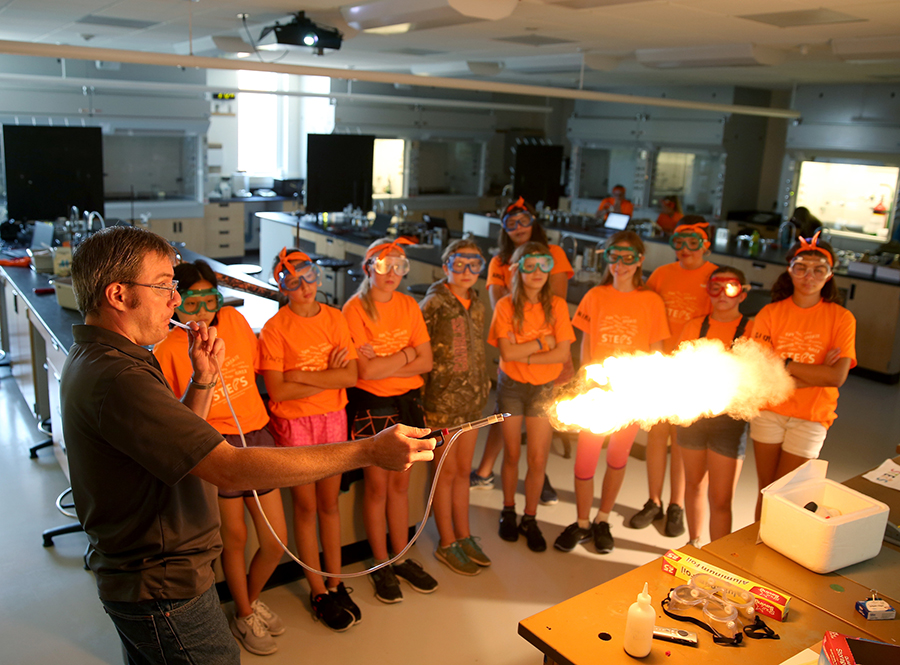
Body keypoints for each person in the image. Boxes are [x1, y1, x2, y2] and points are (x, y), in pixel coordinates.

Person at [60, 226, 435, 665]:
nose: (177, 301)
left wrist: (202, 379)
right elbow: (230, 468)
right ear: (119, 295)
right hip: (161, 586)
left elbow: (175, 443)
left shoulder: (107, 358)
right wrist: (368, 451)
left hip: (147, 579)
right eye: (164, 287)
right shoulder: (120, 379)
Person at [153, 260, 288, 655]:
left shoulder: (235, 323)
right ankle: (244, 613)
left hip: (256, 437)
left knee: (274, 541)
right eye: (191, 303)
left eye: (209, 300)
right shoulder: (168, 347)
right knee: (235, 540)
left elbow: (259, 364)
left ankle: (250, 598)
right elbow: (178, 414)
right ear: (175, 303)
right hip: (216, 448)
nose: (202, 312)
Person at [257, 249, 361, 632]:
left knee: (329, 504)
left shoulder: (335, 318)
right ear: (281, 286)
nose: (304, 287)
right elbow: (278, 392)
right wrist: (322, 376)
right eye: (293, 280)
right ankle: (317, 588)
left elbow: (349, 377)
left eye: (310, 276)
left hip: (333, 419)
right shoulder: (275, 328)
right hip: (295, 426)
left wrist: (300, 375)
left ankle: (336, 581)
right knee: (305, 508)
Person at [554, 232, 669, 555]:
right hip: (596, 393)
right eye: (614, 257)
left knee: (617, 459)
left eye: (628, 258)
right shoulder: (595, 295)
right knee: (585, 461)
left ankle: (603, 519)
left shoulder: (651, 301)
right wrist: (585, 384)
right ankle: (581, 522)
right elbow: (586, 348)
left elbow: (657, 352)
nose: (620, 265)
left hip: (630, 396)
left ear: (640, 260)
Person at [342, 237, 440, 603]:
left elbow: (427, 362)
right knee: (378, 488)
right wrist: (407, 352)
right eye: (384, 265)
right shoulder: (354, 310)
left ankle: (400, 557)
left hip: (408, 402)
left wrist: (389, 359)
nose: (393, 273)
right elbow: (365, 371)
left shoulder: (409, 304)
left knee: (400, 487)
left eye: (400, 265)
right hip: (372, 405)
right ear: (369, 267)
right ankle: (380, 562)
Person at [471, 197, 574, 503]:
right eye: (510, 223)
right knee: (508, 424)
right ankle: (492, 476)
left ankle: (536, 483)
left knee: (537, 443)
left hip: (546, 367)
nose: (518, 227)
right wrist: (542, 342)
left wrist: (553, 350)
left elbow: (555, 303)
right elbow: (503, 310)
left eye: (524, 220)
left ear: (534, 221)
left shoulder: (554, 254)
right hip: (514, 370)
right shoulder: (499, 262)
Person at [750, 232, 856, 519]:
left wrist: (783, 363)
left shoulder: (842, 319)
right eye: (801, 268)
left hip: (811, 416)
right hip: (769, 411)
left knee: (787, 494)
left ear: (830, 275)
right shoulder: (770, 313)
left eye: (819, 269)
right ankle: (755, 553)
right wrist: (817, 372)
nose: (809, 276)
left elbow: (836, 378)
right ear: (790, 270)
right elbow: (760, 372)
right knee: (767, 489)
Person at [488, 241, 575, 552]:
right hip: (511, 386)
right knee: (511, 455)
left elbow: (562, 353)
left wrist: (523, 353)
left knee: (538, 459)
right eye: (530, 265)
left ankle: (530, 517)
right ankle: (508, 510)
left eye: (544, 265)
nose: (537, 272)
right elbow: (506, 352)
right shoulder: (505, 306)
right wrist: (542, 343)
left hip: (543, 389)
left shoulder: (558, 307)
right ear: (517, 269)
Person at [635, 217, 718, 537]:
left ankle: (676, 504)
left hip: (693, 372)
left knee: (682, 441)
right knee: (656, 436)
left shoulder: (714, 277)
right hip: (660, 366)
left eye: (693, 242)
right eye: (678, 242)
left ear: (706, 243)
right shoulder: (661, 274)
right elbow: (646, 313)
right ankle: (653, 500)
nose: (685, 250)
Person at [419, 239, 492, 575]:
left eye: (474, 265)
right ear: (446, 265)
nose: (466, 272)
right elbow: (420, 351)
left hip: (472, 401)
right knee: (444, 474)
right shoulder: (434, 303)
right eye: (458, 264)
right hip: (441, 403)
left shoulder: (478, 303)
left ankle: (463, 534)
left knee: (464, 471)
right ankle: (446, 541)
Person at [675, 267, 753, 547]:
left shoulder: (753, 329)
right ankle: (693, 543)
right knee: (694, 483)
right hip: (693, 416)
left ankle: (718, 556)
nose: (722, 295)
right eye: (715, 287)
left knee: (721, 498)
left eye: (730, 288)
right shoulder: (694, 326)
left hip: (730, 422)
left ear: (743, 292)